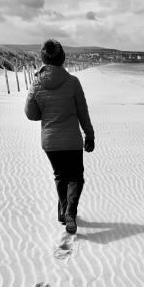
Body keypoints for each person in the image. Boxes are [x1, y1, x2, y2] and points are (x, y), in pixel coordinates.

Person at [24, 39, 95, 234]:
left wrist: (45, 113)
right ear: (62, 58)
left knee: (60, 176)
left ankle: (63, 212)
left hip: (50, 141)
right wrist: (90, 135)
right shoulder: (72, 82)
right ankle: (70, 212)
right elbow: (83, 112)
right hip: (71, 140)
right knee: (76, 177)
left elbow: (30, 114)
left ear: (43, 58)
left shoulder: (37, 82)